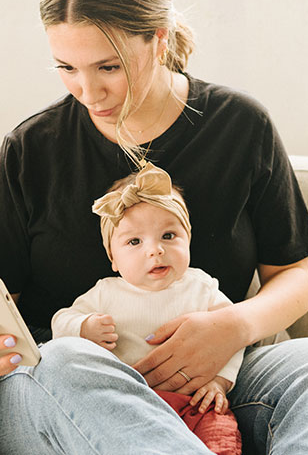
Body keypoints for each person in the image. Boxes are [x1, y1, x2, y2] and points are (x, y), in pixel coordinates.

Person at [0, 0, 308, 453]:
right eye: (66, 67)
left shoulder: (239, 127)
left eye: (108, 66)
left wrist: (232, 327)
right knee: (66, 359)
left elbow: (293, 277)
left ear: (158, 38)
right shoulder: (31, 150)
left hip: (210, 383)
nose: (88, 91)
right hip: (63, 390)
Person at [52, 163, 243, 454]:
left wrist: (219, 382)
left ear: (188, 239)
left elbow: (233, 336)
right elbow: (60, 322)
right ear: (113, 259)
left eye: (168, 236)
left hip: (195, 405)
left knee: (221, 435)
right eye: (134, 241)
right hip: (129, 406)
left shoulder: (201, 286)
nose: (154, 250)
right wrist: (85, 327)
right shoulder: (106, 293)